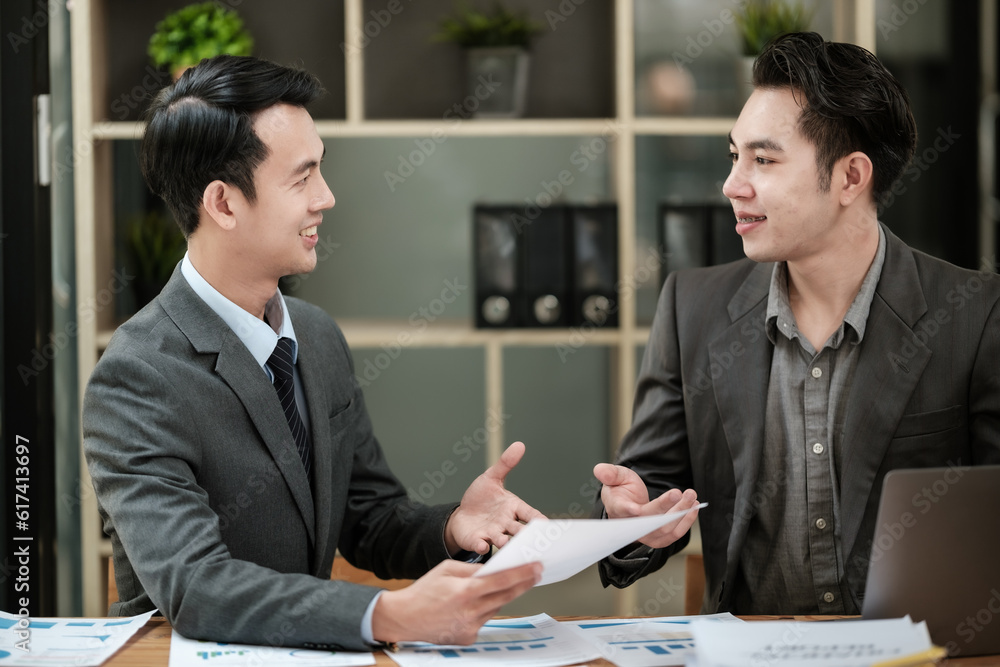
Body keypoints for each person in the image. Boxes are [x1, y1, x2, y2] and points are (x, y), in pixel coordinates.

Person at [82, 55, 543, 651]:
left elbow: (369, 518)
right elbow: (197, 586)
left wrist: (455, 525)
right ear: (222, 203)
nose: (325, 198)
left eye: (320, 170)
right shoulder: (136, 377)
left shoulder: (316, 336)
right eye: (301, 179)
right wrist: (386, 615)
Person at [593, 32, 1000, 615]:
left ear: (851, 178)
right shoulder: (693, 308)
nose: (733, 184)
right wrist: (628, 516)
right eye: (734, 156)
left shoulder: (977, 315)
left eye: (763, 159)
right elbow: (651, 490)